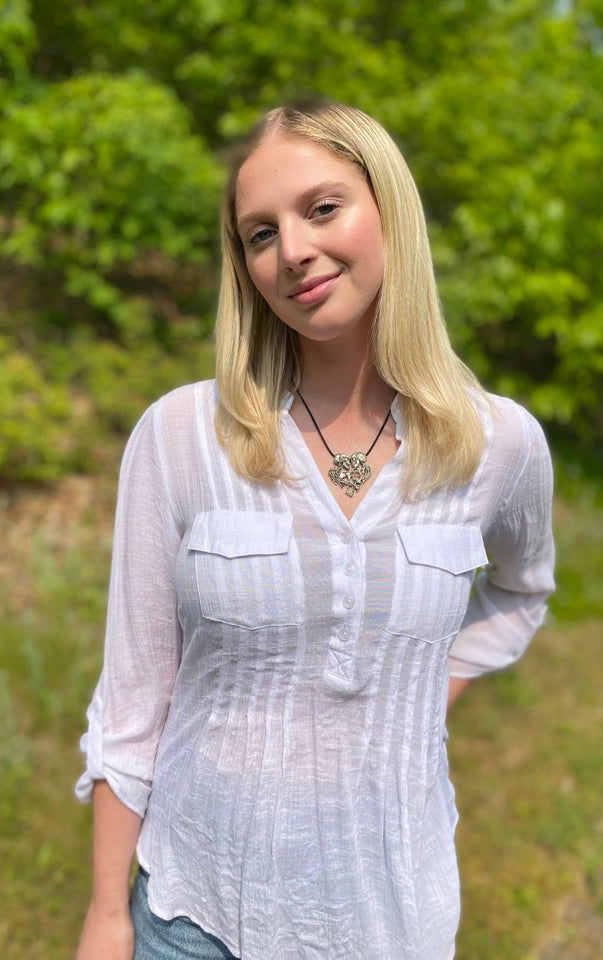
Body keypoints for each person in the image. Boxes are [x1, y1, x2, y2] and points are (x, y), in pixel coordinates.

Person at [75, 100, 555, 960]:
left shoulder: (500, 444)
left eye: (322, 208)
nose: (292, 250)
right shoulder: (183, 436)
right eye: (259, 234)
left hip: (393, 919)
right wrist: (109, 919)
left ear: (391, 212)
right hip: (194, 913)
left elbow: (524, 588)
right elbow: (133, 699)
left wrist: (424, 687)